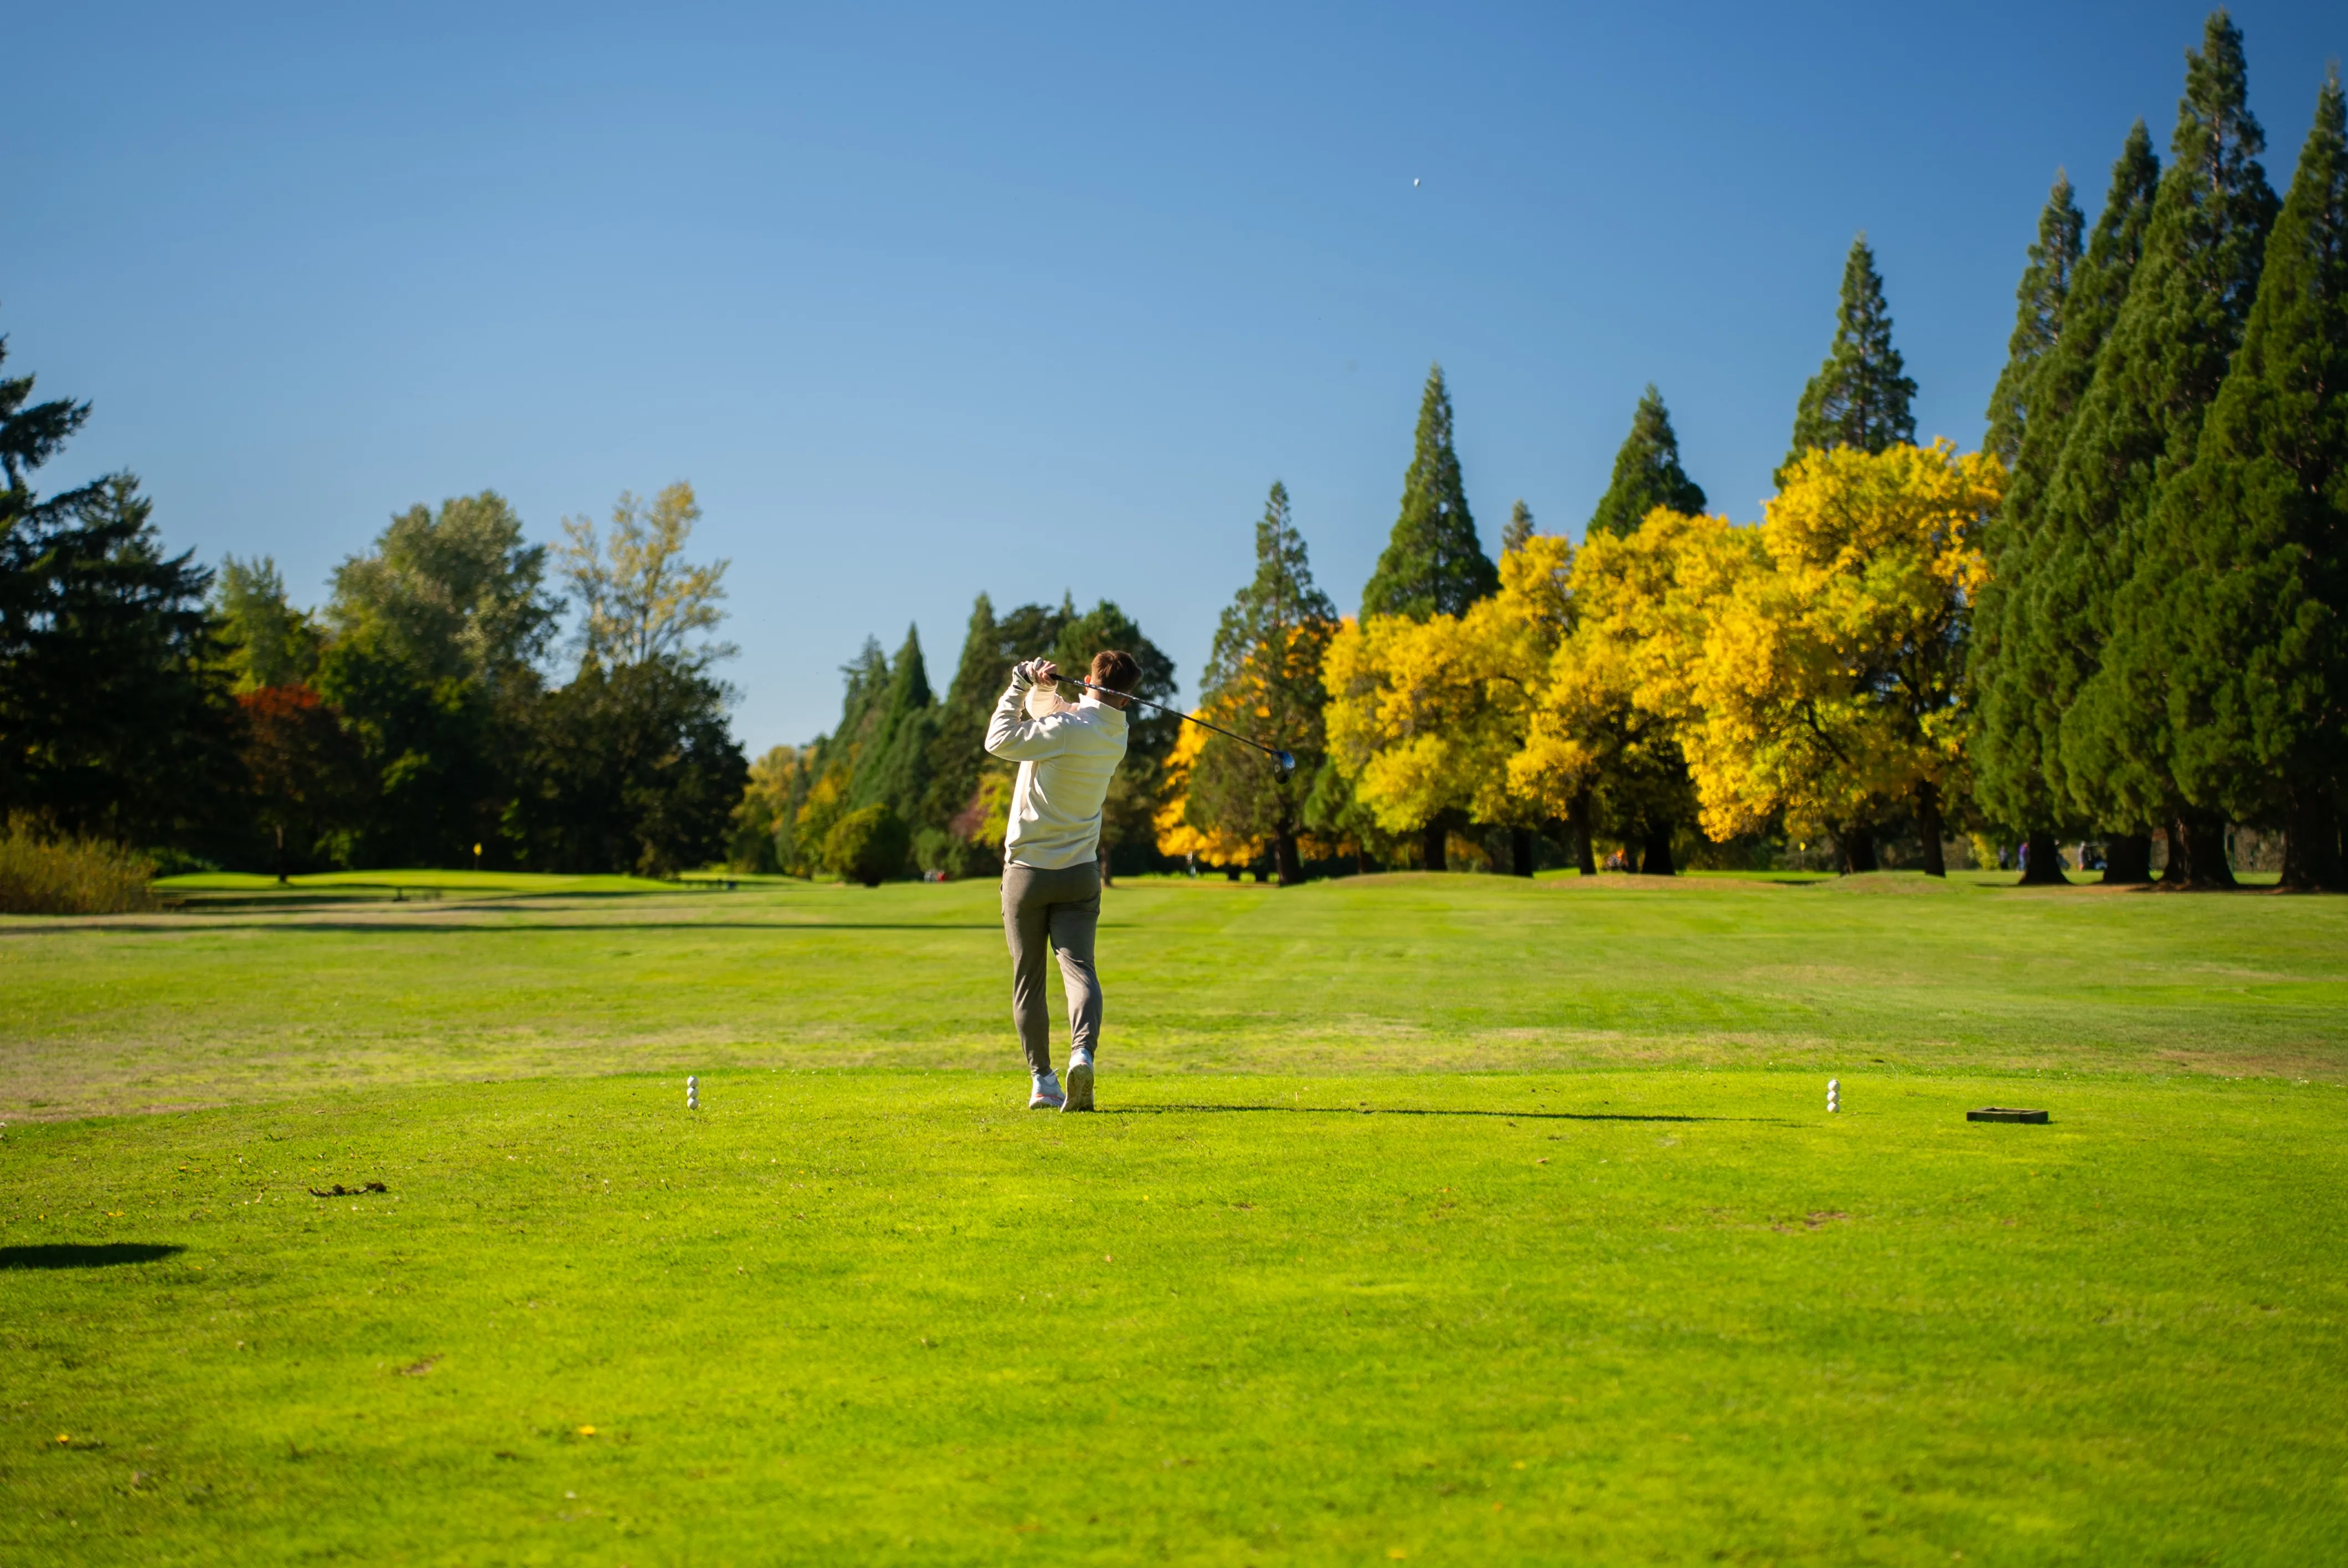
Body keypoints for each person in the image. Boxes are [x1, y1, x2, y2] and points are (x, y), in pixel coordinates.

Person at [984, 649, 1139, 1111]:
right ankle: (1082, 1054)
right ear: (1126, 699)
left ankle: (1043, 1081)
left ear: (1090, 680)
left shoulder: (1068, 732)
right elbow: (1053, 716)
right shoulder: (1116, 734)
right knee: (1079, 969)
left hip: (1028, 873)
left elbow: (1000, 740)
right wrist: (1045, 689)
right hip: (1079, 873)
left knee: (1028, 980)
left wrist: (1019, 682)